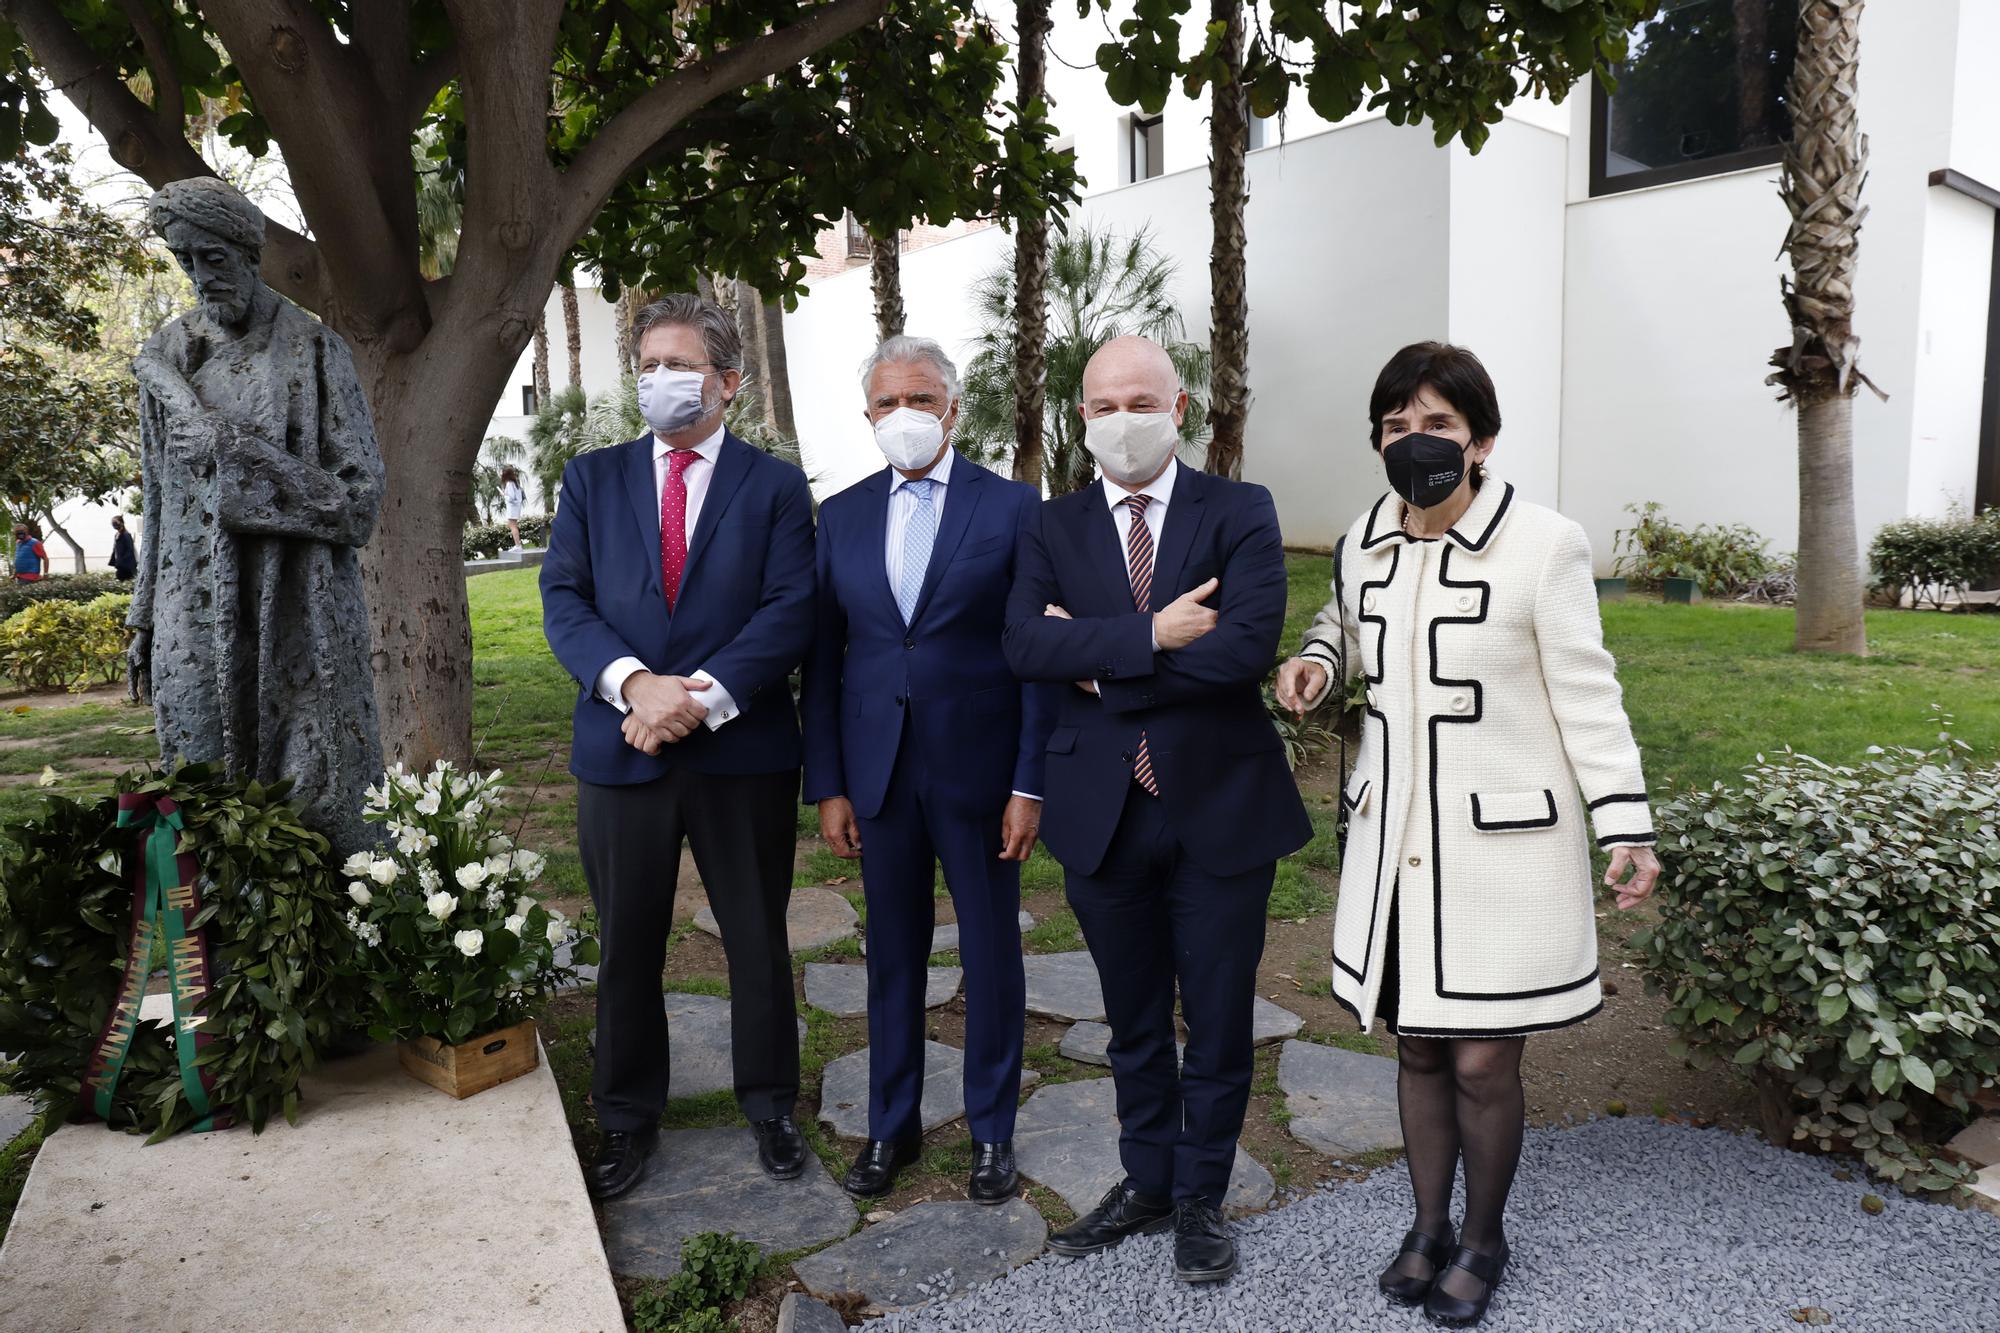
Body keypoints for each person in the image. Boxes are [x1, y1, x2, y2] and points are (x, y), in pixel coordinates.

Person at [1274, 342, 1662, 1327]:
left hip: (1499, 849)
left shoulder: (1544, 544)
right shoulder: (1366, 535)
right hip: (1394, 847)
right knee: (1414, 1050)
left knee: (1483, 1058)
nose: (1415, 442)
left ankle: (1483, 1237)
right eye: (1396, 425)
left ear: (1480, 440)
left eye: (1436, 425)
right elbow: (1342, 621)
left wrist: (1623, 821)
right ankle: (1425, 1225)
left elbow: (1586, 691)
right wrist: (1316, 661)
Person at [1003, 335, 1311, 1284]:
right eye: (1101, 406)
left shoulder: (1239, 510)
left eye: (1140, 400)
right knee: (1132, 1019)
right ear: (1081, 419)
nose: (1120, 420)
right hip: (1102, 813)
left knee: (1217, 1021)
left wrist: (1095, 659)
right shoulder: (1052, 528)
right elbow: (1021, 645)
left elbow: (1244, 651)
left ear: (1180, 409)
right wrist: (1154, 632)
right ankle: (1145, 1180)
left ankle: (1199, 1198)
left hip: (1220, 805)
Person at [541, 293, 815, 1202]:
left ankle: (772, 1103)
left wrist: (697, 700)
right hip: (622, 747)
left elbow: (789, 611)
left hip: (741, 750)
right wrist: (635, 685)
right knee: (626, 943)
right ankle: (625, 1116)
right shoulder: (592, 478)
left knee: (756, 938)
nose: (659, 380)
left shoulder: (774, 486)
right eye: (648, 364)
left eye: (679, 364)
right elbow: (564, 601)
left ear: (728, 381)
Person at [801, 335, 1055, 1203]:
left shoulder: (1016, 508)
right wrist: (829, 783)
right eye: (885, 403)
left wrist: (1030, 782)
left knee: (990, 955)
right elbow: (824, 662)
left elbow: (1036, 656)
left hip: (982, 777)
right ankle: (891, 1125)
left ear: (952, 406)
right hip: (878, 777)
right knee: (891, 958)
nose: (902, 415)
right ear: (867, 416)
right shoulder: (840, 516)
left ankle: (993, 1133)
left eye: (919, 398)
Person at [128, 177, 385, 859]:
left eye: (213, 258)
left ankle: (328, 955)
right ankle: (214, 963)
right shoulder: (165, 360)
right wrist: (145, 615)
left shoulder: (314, 351)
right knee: (202, 800)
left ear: (249, 251)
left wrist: (235, 451)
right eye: (185, 261)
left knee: (314, 810)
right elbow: (158, 496)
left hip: (295, 614)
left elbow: (357, 503)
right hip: (193, 615)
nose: (201, 278)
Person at [500, 466, 526, 552]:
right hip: (516, 507)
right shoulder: (516, 483)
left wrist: (504, 495)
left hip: (512, 507)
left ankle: (518, 545)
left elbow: (511, 498)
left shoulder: (510, 484)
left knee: (513, 526)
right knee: (513, 525)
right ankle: (518, 544)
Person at [109, 516, 138, 581]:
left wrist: (122, 560)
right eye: (112, 523)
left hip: (127, 565)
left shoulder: (126, 534)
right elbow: (115, 550)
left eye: (115, 523)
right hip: (120, 564)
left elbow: (130, 549)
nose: (114, 525)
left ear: (121, 523)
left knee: (125, 579)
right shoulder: (117, 535)